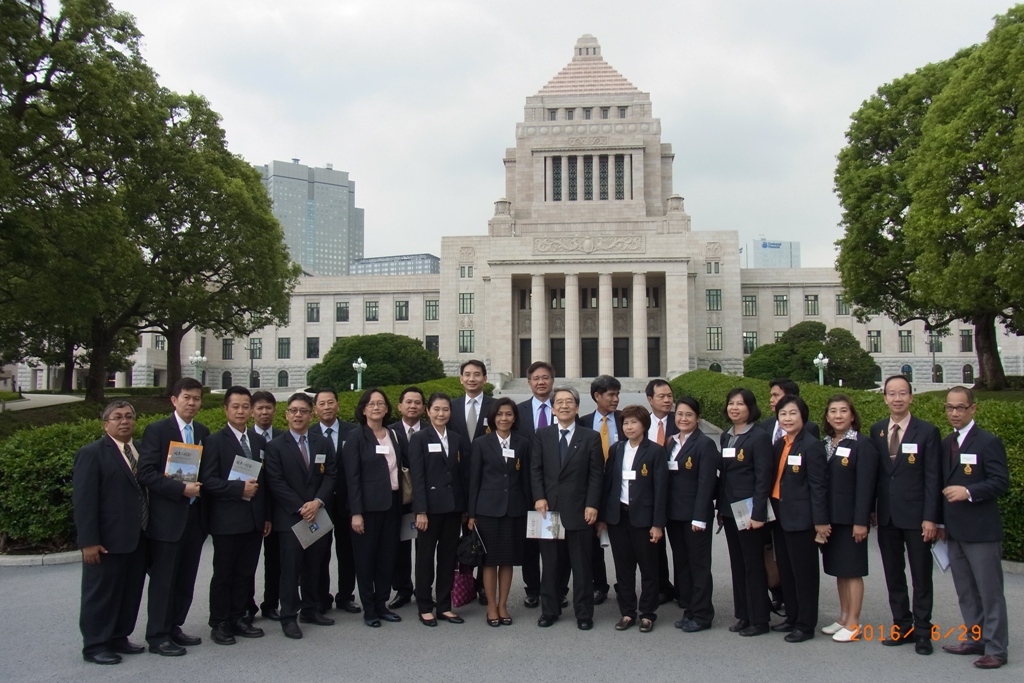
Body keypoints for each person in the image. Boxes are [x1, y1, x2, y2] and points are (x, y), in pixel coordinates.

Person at [938, 387, 1010, 670]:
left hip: (981, 531)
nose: (954, 413)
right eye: (949, 408)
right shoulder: (947, 442)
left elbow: (1000, 482)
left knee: (989, 592)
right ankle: (975, 638)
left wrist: (968, 491)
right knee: (966, 591)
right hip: (954, 531)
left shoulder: (988, 442)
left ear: (972, 409)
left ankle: (996, 648)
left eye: (960, 408)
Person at [137, 377, 209, 656]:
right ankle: (157, 635)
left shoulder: (202, 431)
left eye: (197, 398)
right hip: (167, 520)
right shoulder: (157, 430)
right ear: (174, 400)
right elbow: (146, 473)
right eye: (187, 398)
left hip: (194, 520)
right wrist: (181, 488)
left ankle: (175, 626)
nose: (192, 403)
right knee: (164, 580)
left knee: (185, 578)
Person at [73, 400, 149, 665]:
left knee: (130, 591)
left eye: (129, 416)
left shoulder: (140, 450)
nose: (124, 421)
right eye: (117, 417)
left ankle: (119, 636)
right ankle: (95, 645)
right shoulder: (92, 453)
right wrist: (89, 542)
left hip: (139, 536)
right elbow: (84, 501)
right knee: (101, 593)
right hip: (106, 540)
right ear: (106, 423)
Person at [870, 375, 941, 655]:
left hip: (917, 517)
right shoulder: (877, 431)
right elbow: (873, 477)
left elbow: (933, 478)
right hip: (886, 517)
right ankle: (902, 625)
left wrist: (931, 517)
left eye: (902, 393)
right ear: (884, 397)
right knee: (893, 574)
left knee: (921, 576)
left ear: (911, 397)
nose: (897, 398)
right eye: (891, 394)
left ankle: (924, 631)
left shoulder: (927, 431)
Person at [197, 386, 269, 645]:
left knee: (246, 572)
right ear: (225, 409)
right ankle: (220, 622)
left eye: (245, 406)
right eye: (235, 406)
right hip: (227, 521)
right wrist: (239, 488)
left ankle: (239, 617)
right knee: (224, 573)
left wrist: (266, 516)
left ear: (251, 410)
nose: (241, 411)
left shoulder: (259, 441)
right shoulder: (214, 441)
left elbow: (264, 483)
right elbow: (208, 481)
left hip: (253, 520)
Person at [263, 393, 337, 639]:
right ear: (286, 415)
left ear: (311, 414)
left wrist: (316, 503)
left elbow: (331, 476)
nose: (298, 415)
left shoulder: (322, 443)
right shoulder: (275, 446)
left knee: (316, 565)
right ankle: (288, 616)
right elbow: (275, 481)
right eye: (293, 410)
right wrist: (300, 507)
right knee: (291, 568)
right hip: (291, 518)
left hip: (318, 514)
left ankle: (310, 608)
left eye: (303, 411)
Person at [530, 386, 604, 630]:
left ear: (577, 407)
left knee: (582, 566)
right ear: (552, 408)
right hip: (548, 511)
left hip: (580, 510)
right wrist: (539, 497)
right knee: (550, 565)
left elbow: (596, 475)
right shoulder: (542, 435)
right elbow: (536, 470)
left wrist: (593, 504)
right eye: (559, 402)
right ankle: (549, 611)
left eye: (569, 402)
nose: (564, 405)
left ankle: (584, 614)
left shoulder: (590, 437)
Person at [597, 405, 668, 633]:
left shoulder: (655, 451)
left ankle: (647, 613)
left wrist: (658, 524)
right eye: (625, 422)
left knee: (649, 568)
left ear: (644, 425)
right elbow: (608, 484)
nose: (629, 427)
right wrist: (604, 517)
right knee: (623, 569)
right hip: (619, 518)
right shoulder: (617, 449)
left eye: (634, 422)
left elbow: (661, 490)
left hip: (644, 519)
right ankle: (627, 612)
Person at [769, 395, 830, 643]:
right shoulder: (780, 444)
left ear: (802, 416)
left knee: (804, 574)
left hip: (802, 519)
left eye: (792, 413)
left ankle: (806, 624)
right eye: (783, 414)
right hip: (780, 517)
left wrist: (820, 521)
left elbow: (818, 486)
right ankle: (792, 617)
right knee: (787, 570)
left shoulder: (812, 445)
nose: (787, 418)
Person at [343, 388, 404, 628]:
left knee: (387, 557)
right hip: (366, 510)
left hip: (392, 505)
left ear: (387, 408)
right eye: (371, 404)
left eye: (380, 403)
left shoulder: (393, 435)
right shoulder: (356, 437)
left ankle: (382, 603)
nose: (376, 407)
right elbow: (352, 478)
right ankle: (369, 607)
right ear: (363, 409)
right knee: (366, 559)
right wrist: (356, 513)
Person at [819, 395, 878, 642]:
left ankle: (854, 622)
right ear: (827, 417)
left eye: (844, 411)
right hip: (831, 518)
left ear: (853, 416)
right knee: (840, 570)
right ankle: (844, 617)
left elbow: (866, 486)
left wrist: (861, 521)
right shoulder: (824, 443)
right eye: (833, 411)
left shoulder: (862, 444)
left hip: (851, 519)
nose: (838, 415)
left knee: (852, 571)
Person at [467, 397, 530, 626]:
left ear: (515, 418)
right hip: (487, 511)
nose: (504, 418)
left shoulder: (522, 443)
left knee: (507, 560)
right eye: (500, 414)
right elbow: (474, 480)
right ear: (493, 417)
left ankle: (503, 605)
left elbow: (525, 480)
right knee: (489, 561)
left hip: (514, 510)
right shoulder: (481, 443)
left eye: (509, 414)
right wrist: (471, 513)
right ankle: (491, 606)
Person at [717, 388, 773, 637]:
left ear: (750, 408)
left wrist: (759, 513)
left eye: (740, 404)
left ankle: (759, 619)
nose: (734, 408)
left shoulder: (759, 437)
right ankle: (743, 614)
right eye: (731, 403)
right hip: (730, 510)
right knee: (738, 565)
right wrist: (720, 507)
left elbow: (763, 478)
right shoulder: (726, 437)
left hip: (749, 511)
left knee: (753, 565)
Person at [409, 392, 468, 626]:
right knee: (425, 559)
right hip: (429, 511)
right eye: (436, 409)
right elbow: (417, 476)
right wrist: (420, 510)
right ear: (428, 411)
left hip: (453, 508)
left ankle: (444, 605)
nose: (441, 413)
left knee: (447, 559)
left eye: (445, 409)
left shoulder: (456, 438)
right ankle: (424, 605)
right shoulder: (420, 438)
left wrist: (464, 509)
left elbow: (461, 474)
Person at [665, 397, 720, 633]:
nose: (683, 419)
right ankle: (689, 609)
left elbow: (707, 483)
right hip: (674, 515)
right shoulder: (671, 442)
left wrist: (700, 517)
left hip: (695, 517)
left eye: (688, 415)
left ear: (697, 418)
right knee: (682, 564)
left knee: (699, 566)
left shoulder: (704, 444)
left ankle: (703, 614)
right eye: (679, 414)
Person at [308, 388, 360, 615]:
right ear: (315, 408)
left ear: (338, 405)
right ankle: (321, 597)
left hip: (348, 503)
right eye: (322, 403)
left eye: (331, 402)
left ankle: (346, 596)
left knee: (347, 552)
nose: (327, 407)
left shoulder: (355, 432)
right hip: (320, 505)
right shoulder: (308, 434)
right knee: (319, 553)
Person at [447, 360, 494, 605]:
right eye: (467, 375)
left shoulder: (496, 407)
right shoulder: (451, 408)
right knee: (456, 538)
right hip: (455, 482)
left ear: (485, 378)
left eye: (477, 374)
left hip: (487, 484)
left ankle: (482, 586)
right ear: (461, 379)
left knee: (483, 536)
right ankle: (457, 584)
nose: (472, 379)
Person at [516, 361, 559, 609]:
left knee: (555, 541)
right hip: (525, 486)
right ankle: (532, 588)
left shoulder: (562, 407)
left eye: (545, 378)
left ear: (552, 381)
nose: (541, 382)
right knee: (530, 542)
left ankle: (556, 589)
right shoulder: (518, 411)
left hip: (556, 486)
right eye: (536, 378)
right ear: (529, 382)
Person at [579, 374, 623, 605]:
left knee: (622, 542)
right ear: (597, 396)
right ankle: (599, 585)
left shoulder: (627, 420)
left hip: (620, 490)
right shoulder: (583, 422)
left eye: (617, 394)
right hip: (591, 490)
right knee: (592, 544)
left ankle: (624, 586)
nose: (616, 399)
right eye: (611, 395)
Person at [387, 386, 426, 609]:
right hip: (398, 499)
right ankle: (402, 589)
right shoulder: (388, 432)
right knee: (400, 547)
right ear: (400, 406)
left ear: (424, 408)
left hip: (426, 499)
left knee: (425, 547)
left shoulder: (432, 431)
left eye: (417, 402)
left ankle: (423, 590)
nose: (413, 406)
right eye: (408, 402)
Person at [250, 390, 281, 621]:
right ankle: (246, 604)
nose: (264, 412)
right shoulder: (244, 438)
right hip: (250, 508)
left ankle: (271, 603)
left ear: (275, 410)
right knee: (247, 562)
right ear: (252, 412)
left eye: (268, 408)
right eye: (259, 408)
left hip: (279, 509)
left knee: (275, 561)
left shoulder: (282, 438)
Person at [645, 379, 676, 605]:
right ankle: (661, 586)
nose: (667, 400)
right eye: (661, 396)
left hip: (676, 495)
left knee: (681, 548)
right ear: (650, 400)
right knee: (653, 546)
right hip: (647, 495)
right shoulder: (639, 423)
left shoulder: (682, 421)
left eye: (669, 396)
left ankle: (685, 591)